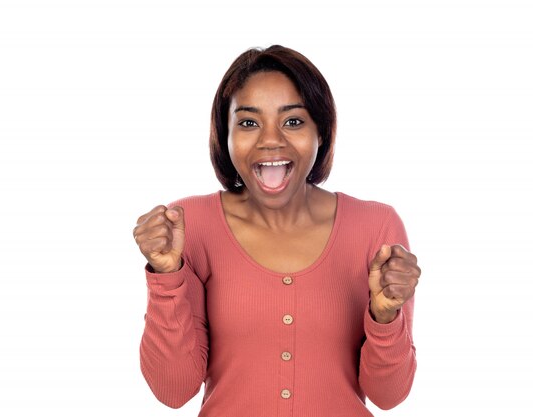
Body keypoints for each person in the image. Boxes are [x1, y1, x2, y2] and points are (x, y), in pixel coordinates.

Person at [133, 45, 421, 417]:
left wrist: (385, 317)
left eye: (293, 121)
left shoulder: (376, 227)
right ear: (226, 134)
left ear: (322, 131)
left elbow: (389, 395)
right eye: (249, 123)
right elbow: (173, 389)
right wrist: (166, 277)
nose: (271, 140)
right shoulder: (189, 225)